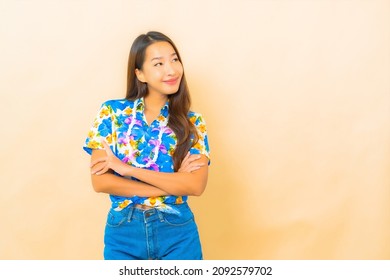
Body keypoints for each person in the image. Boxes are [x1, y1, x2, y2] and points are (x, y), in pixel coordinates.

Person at [83, 31, 210, 260]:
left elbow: (195, 185)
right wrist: (172, 184)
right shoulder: (111, 113)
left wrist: (127, 170)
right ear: (140, 73)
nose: (171, 70)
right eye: (158, 63)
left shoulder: (193, 122)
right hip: (123, 233)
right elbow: (100, 181)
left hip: (177, 232)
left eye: (174, 60)